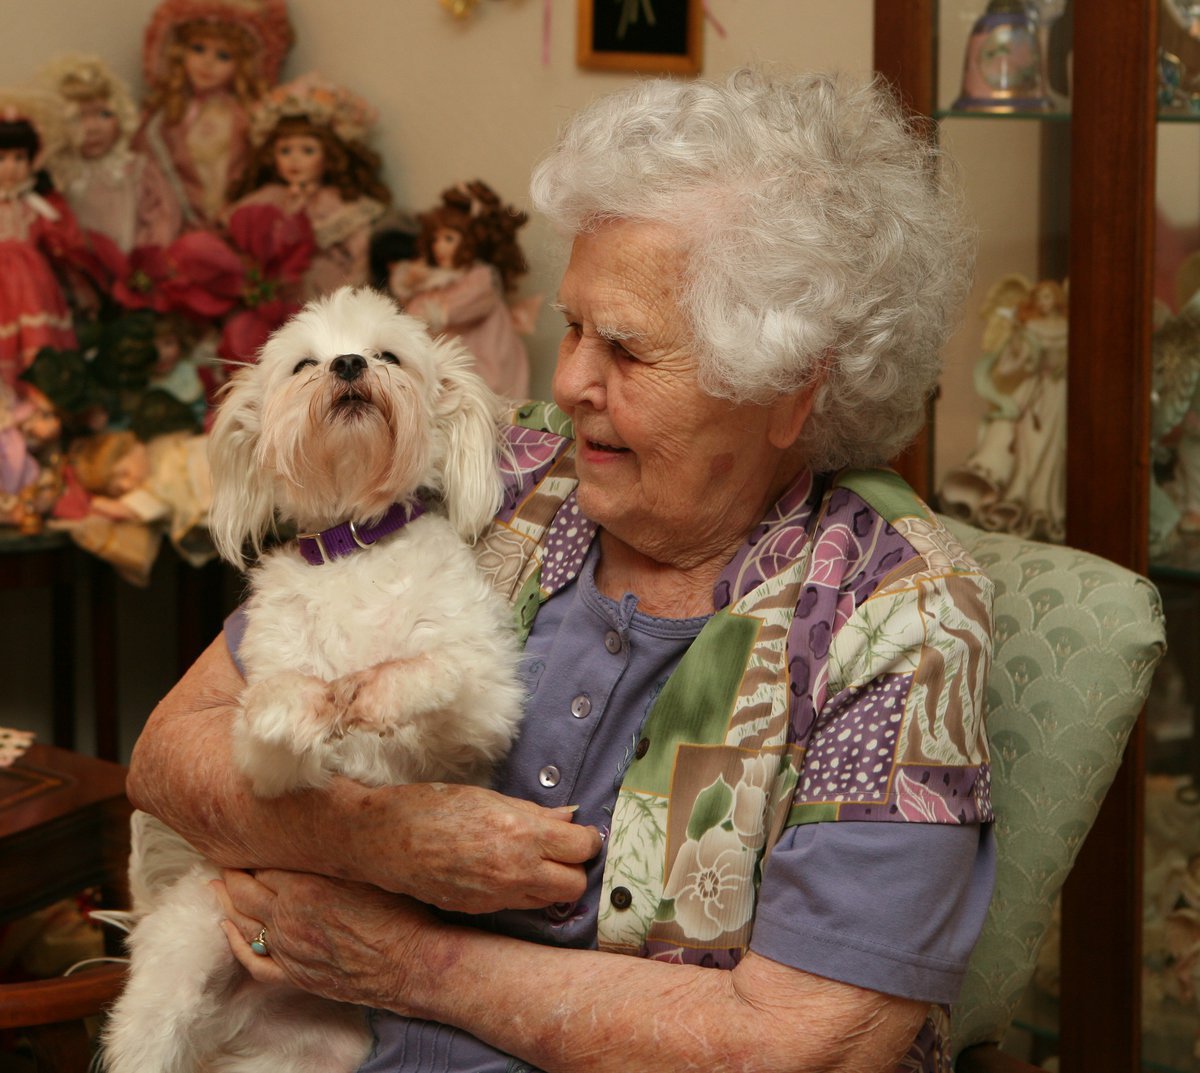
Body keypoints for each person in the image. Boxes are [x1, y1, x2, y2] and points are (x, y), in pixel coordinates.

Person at [128, 68, 994, 1073]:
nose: (568, 377)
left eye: (623, 347)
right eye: (573, 324)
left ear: (791, 390)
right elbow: (170, 751)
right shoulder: (497, 475)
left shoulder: (894, 615)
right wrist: (375, 836)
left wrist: (412, 961)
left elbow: (804, 1042)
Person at [227, 74, 390, 299]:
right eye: (285, 151)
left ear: (330, 156)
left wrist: (353, 297)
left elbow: (361, 254)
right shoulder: (269, 196)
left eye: (307, 150)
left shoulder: (338, 203)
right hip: (273, 291)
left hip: (323, 291)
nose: (295, 160)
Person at [135, 0, 293, 230]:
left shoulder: (248, 116)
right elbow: (148, 173)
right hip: (176, 223)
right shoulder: (164, 118)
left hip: (235, 221)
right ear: (180, 51)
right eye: (197, 49)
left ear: (242, 64)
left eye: (223, 56)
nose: (207, 63)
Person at [392, 180, 534, 400]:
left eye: (449, 238)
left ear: (469, 241)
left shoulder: (480, 278)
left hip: (482, 360)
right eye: (436, 239)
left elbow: (453, 310)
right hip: (447, 370)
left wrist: (424, 310)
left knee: (482, 401)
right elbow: (413, 312)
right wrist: (410, 282)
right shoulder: (436, 280)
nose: (439, 246)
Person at [39, 53, 182, 251]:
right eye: (78, 118)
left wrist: (147, 258)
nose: (93, 128)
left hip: (135, 269)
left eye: (104, 114)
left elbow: (163, 217)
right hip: (80, 274)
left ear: (121, 115)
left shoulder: (136, 169)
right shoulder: (57, 175)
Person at [0, 91, 82, 389]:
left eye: (19, 158)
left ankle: (43, 397)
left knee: (39, 344)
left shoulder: (37, 205)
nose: (10, 168)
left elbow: (63, 243)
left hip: (35, 290)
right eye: (2, 158)